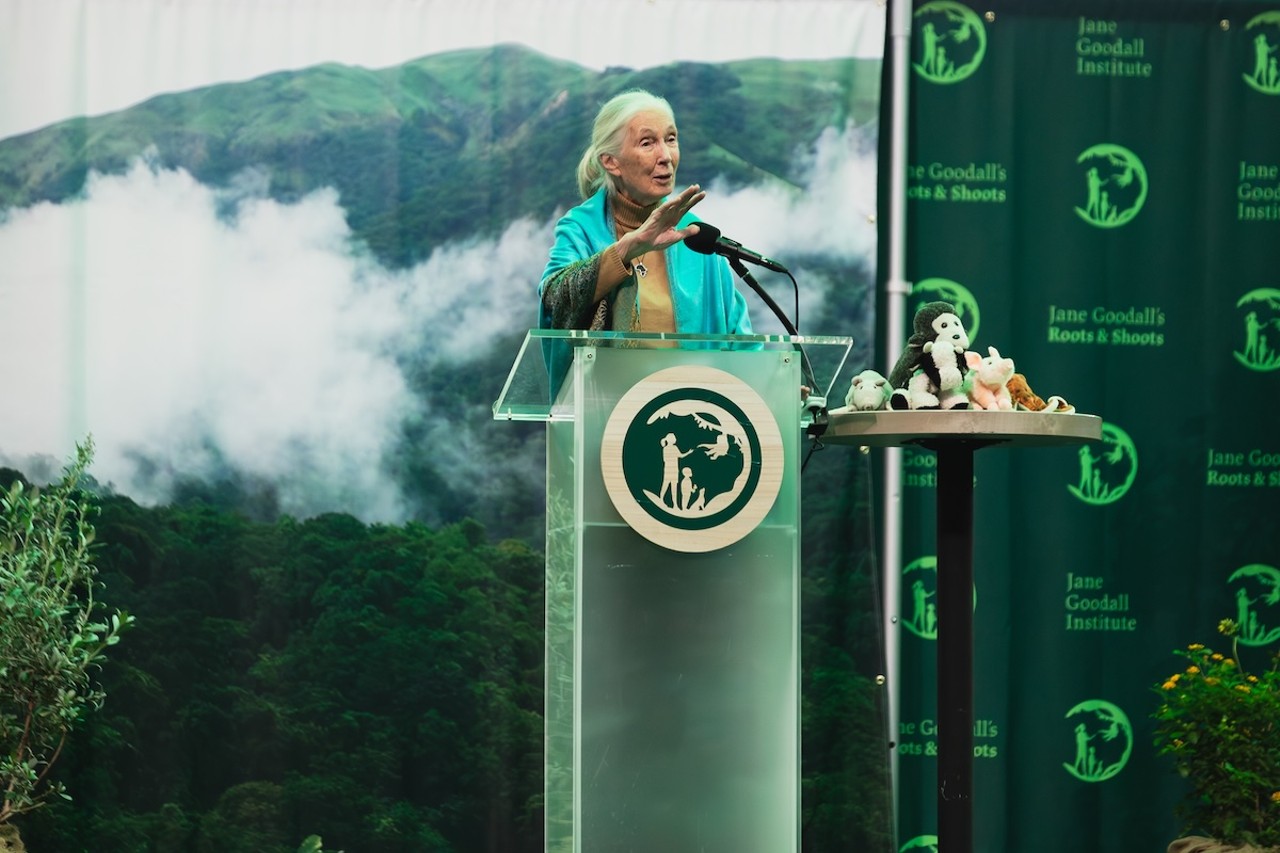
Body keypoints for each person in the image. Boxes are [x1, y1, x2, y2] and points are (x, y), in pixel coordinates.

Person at [539, 89, 753, 353]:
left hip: (694, 393)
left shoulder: (695, 235)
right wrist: (629, 248)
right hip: (611, 393)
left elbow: (739, 337)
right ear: (611, 162)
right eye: (647, 143)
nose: (665, 156)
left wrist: (771, 384)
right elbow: (554, 298)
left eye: (671, 139)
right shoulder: (581, 228)